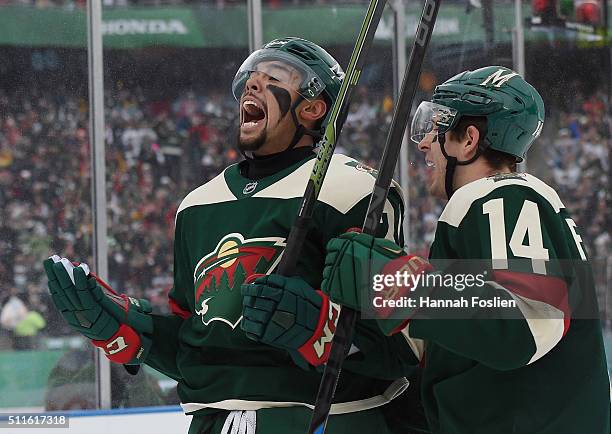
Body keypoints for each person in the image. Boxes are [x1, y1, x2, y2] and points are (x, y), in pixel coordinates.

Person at [43, 38, 425, 434]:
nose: (252, 85)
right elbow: (199, 344)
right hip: (210, 422)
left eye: (274, 76)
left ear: (312, 109)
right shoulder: (197, 205)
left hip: (327, 419)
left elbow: (400, 348)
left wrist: (320, 327)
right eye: (249, 78)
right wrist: (128, 330)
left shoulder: (351, 191)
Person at [321, 66, 611, 434]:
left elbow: (524, 326)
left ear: (469, 139)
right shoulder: (501, 203)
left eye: (435, 126)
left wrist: (398, 284)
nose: (423, 142)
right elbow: (462, 350)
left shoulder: (504, 197)